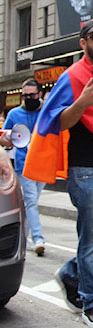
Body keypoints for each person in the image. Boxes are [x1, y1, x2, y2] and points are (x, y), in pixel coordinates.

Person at [23, 18, 93, 328]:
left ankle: (71, 274)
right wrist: (83, 103)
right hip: (86, 168)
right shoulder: (73, 76)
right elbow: (55, 121)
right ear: (82, 43)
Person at [0, 79, 46, 256]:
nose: (28, 98)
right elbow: (3, 136)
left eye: (32, 95)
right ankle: (38, 238)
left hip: (43, 165)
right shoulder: (14, 113)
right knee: (32, 201)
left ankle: (23, 237)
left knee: (30, 203)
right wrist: (9, 139)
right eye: (25, 95)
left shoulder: (46, 111)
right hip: (24, 164)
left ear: (40, 94)